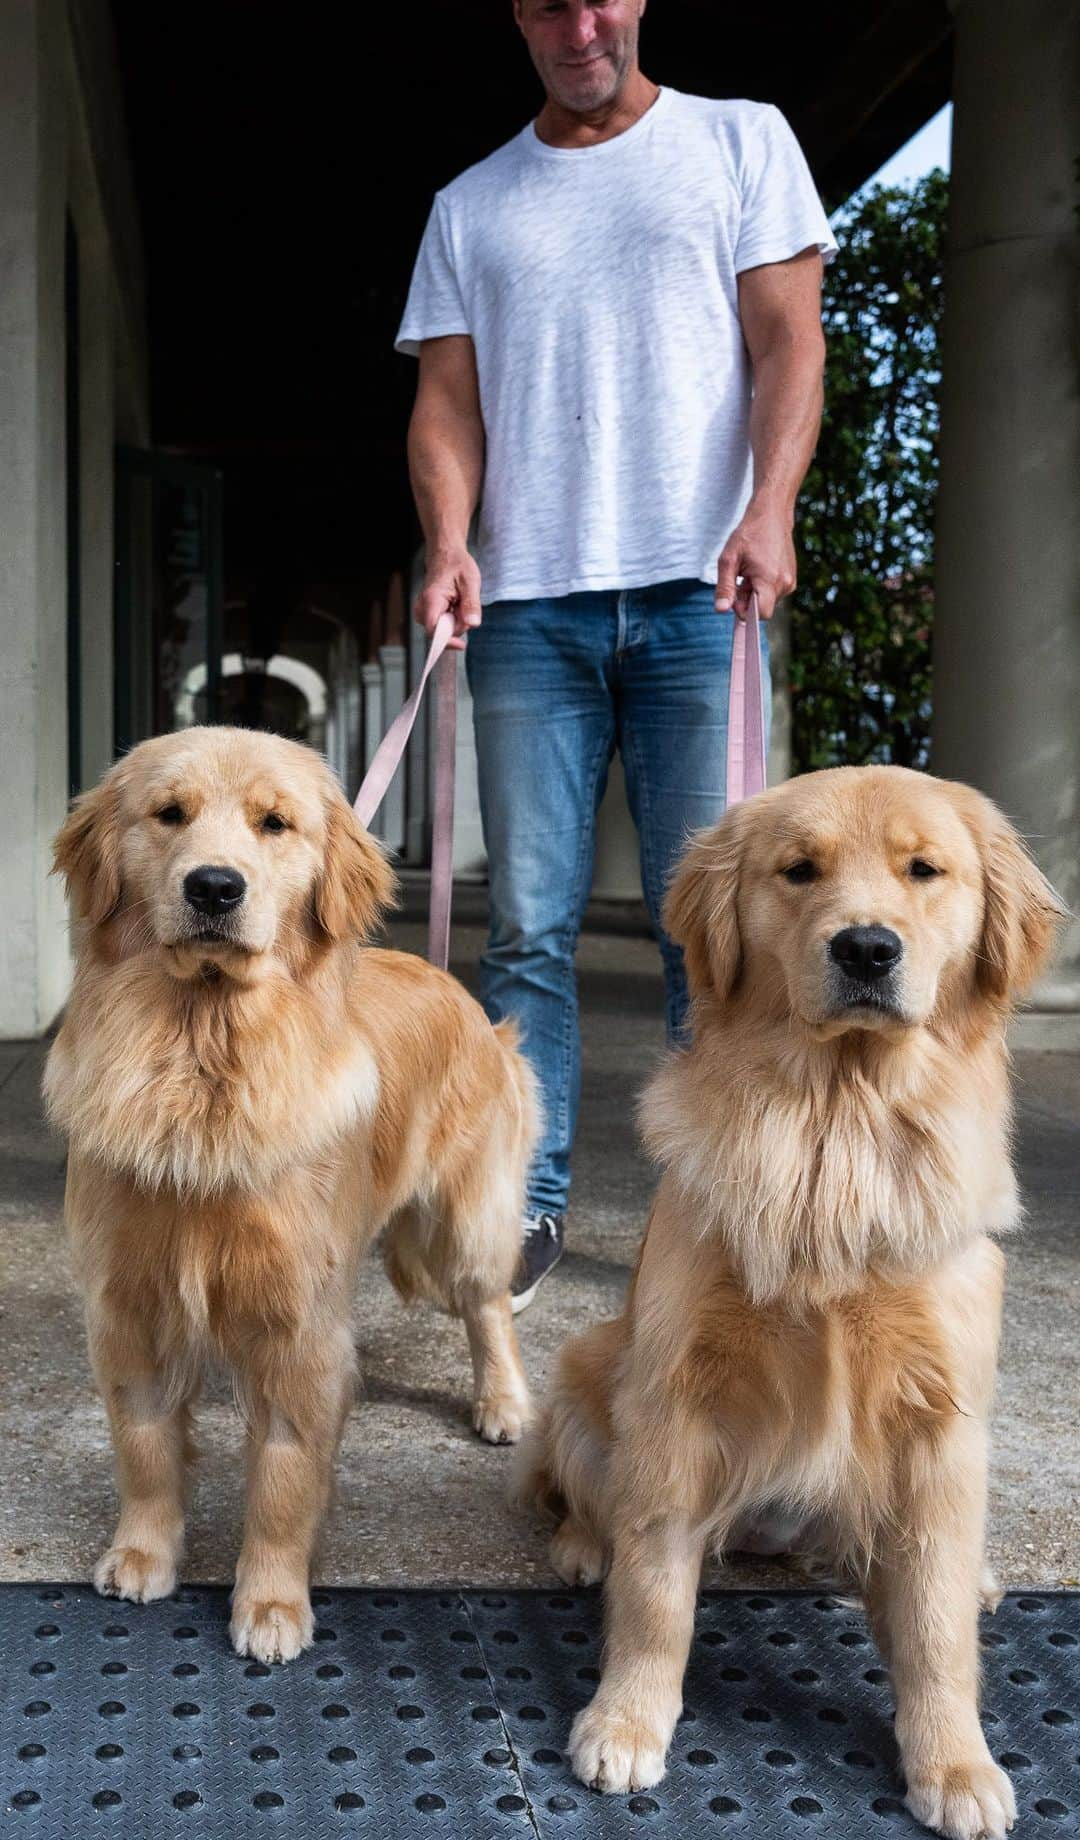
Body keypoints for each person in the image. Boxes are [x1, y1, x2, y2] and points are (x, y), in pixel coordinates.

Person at [396, 0, 836, 1310]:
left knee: (710, 928)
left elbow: (789, 341)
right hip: (527, 607)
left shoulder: (743, 144)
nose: (581, 23)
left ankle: (708, 1218)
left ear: (637, 2)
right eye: (550, 0)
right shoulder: (471, 205)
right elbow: (446, 406)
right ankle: (526, 1204)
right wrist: (450, 545)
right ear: (519, 16)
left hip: (701, 591)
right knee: (527, 929)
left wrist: (770, 510)